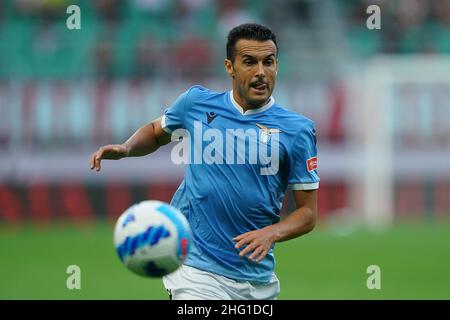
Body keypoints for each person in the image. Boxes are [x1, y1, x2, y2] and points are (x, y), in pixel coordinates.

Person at [90, 23, 319, 300]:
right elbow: (155, 131)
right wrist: (127, 148)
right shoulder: (195, 103)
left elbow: (307, 213)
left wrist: (272, 232)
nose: (261, 72)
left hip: (257, 280)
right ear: (229, 67)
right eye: (249, 62)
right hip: (196, 271)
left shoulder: (297, 129)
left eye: (268, 62)